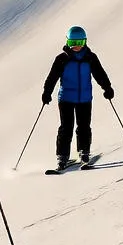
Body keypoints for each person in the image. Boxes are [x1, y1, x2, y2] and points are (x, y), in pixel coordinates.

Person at [41, 26, 113, 171]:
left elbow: (99, 74)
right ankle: (62, 157)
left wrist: (107, 88)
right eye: (73, 43)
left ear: (85, 42)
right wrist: (47, 92)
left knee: (84, 126)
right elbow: (52, 77)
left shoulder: (90, 58)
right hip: (66, 98)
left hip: (85, 98)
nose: (76, 46)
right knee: (66, 128)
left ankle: (84, 152)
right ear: (67, 42)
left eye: (79, 42)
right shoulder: (62, 59)